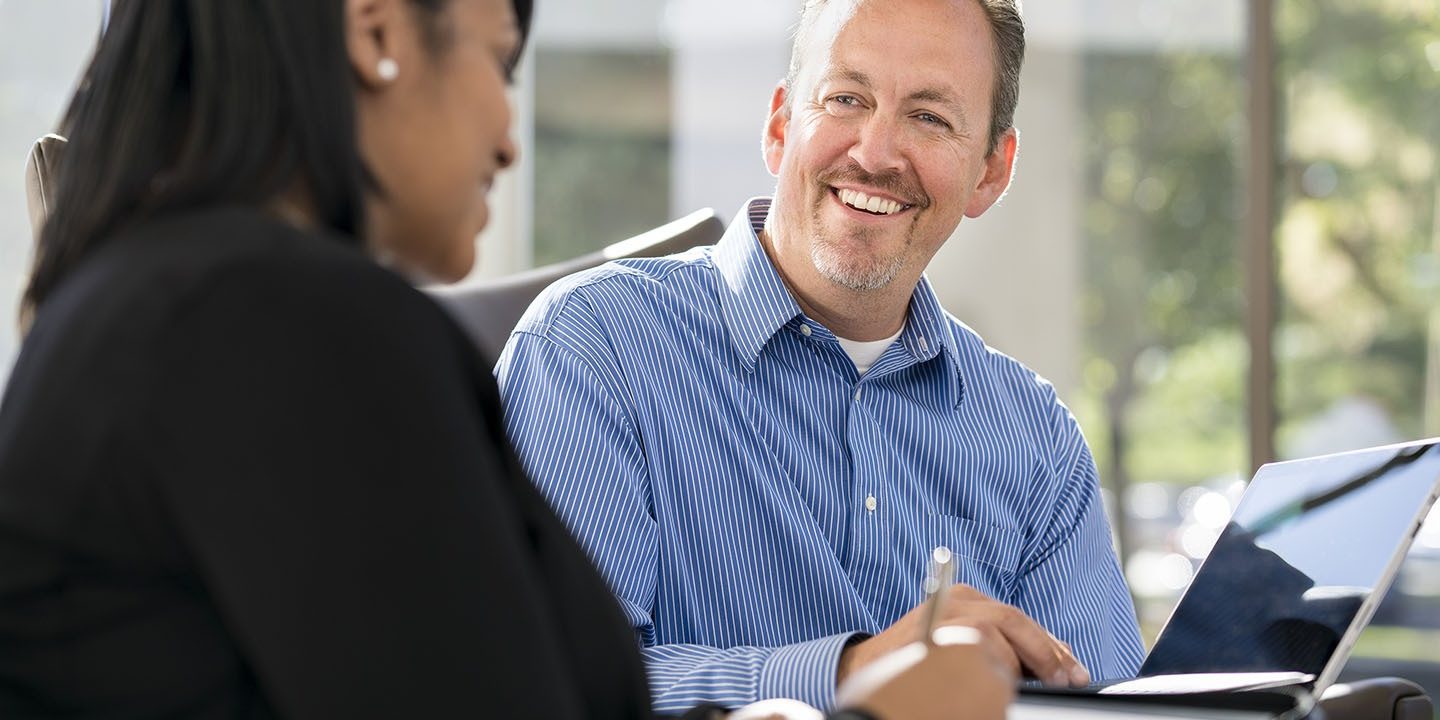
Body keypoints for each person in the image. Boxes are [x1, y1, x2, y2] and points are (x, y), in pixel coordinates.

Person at [0, 0, 1014, 718]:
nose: (508, 139)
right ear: (378, 29)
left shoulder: (174, 304)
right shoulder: (285, 328)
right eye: (498, 62)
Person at [495, 0, 1147, 713]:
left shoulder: (1037, 442)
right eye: (845, 99)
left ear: (992, 170)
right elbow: (543, 684)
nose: (874, 152)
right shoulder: (593, 347)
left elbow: (1101, 705)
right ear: (780, 126)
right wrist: (850, 675)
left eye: (929, 117)